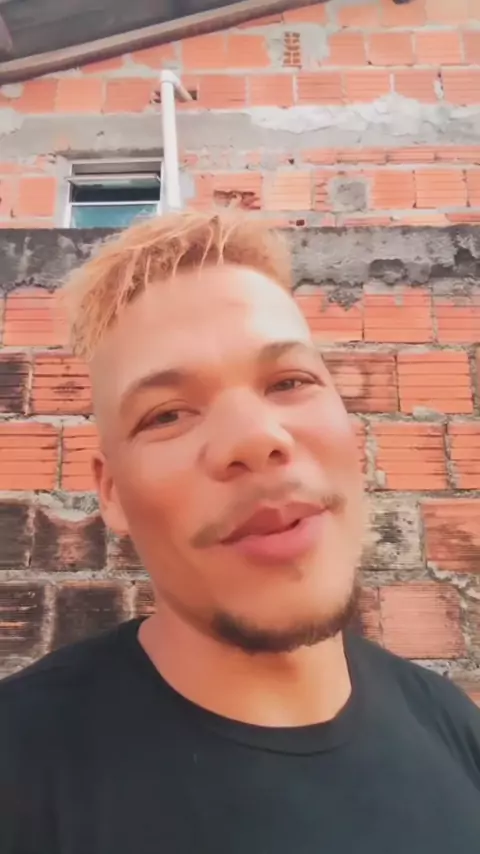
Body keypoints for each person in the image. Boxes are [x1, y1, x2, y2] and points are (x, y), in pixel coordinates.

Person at [1, 210, 479, 854]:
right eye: (166, 415)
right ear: (110, 491)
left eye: (290, 382)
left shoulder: (454, 728)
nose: (255, 439)